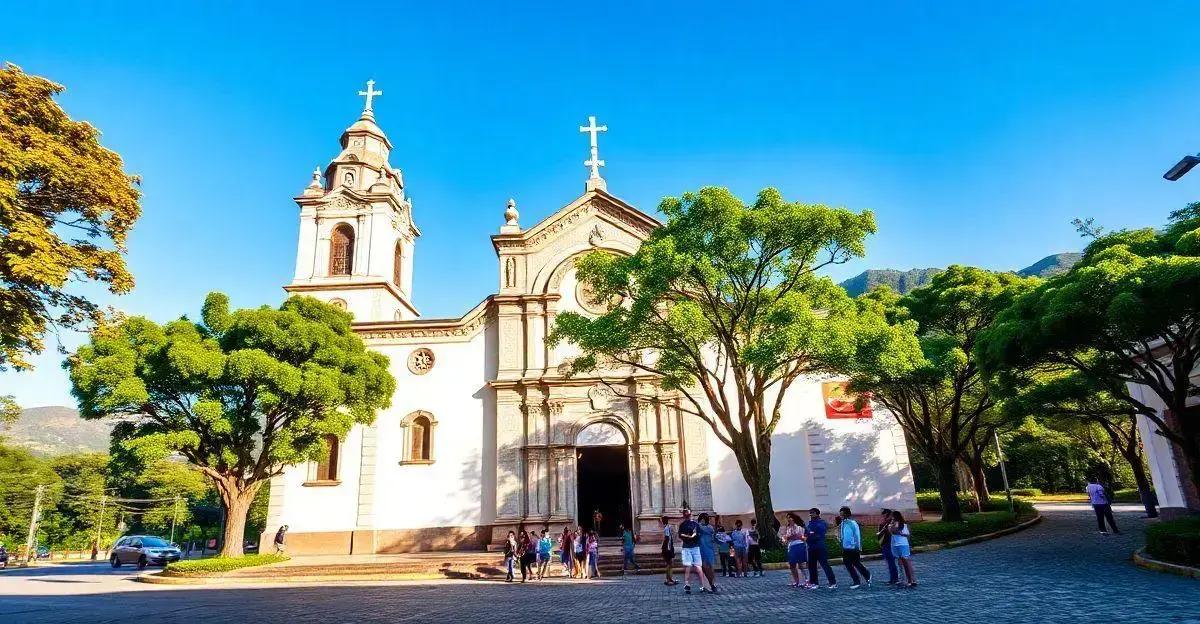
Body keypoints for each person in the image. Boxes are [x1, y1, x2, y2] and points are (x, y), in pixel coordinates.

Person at [677, 509, 714, 594]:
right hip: (695, 547)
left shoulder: (682, 525)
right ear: (691, 515)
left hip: (687, 547)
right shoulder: (695, 524)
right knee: (698, 567)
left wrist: (687, 537)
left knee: (688, 567)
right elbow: (703, 531)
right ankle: (702, 586)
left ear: (683, 516)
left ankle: (688, 585)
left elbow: (680, 535)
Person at [837, 506, 872, 589]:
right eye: (840, 514)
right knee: (847, 564)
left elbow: (857, 536)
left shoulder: (853, 523)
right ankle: (856, 580)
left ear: (847, 514)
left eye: (842, 514)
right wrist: (841, 542)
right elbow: (842, 535)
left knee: (856, 563)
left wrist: (858, 547)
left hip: (853, 547)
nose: (841, 516)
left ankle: (867, 575)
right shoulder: (842, 524)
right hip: (845, 548)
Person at [805, 508, 837, 589]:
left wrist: (811, 535)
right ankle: (814, 583)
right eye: (810, 513)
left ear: (817, 514)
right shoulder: (810, 524)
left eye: (812, 513)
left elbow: (819, 534)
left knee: (825, 565)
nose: (811, 514)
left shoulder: (821, 523)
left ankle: (833, 583)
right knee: (812, 566)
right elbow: (807, 533)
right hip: (811, 547)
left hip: (820, 547)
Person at [889, 510, 917, 588]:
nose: (891, 517)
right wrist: (892, 525)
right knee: (900, 563)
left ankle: (911, 580)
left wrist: (900, 532)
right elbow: (891, 531)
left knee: (906, 563)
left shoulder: (903, 525)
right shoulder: (892, 524)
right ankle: (903, 579)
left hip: (902, 544)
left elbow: (907, 534)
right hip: (895, 544)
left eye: (893, 516)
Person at [781, 513, 807, 588]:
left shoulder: (799, 527)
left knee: (800, 564)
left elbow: (798, 536)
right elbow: (786, 537)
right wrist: (786, 538)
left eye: (790, 517)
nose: (788, 519)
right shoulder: (788, 528)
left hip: (798, 545)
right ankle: (796, 581)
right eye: (787, 518)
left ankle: (804, 580)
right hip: (791, 546)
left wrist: (789, 537)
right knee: (792, 564)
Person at [876, 508, 899, 585]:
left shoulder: (889, 522)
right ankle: (893, 578)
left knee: (891, 562)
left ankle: (894, 579)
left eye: (884, 514)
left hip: (888, 543)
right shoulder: (886, 522)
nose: (882, 516)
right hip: (885, 543)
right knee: (890, 562)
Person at [697, 513, 719, 592]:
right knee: (703, 568)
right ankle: (705, 585)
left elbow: (703, 529)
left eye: (704, 519)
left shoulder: (709, 528)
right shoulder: (698, 528)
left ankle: (712, 584)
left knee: (709, 567)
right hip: (701, 549)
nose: (702, 521)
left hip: (708, 549)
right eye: (701, 519)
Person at [660, 515, 678, 586]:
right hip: (668, 548)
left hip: (667, 547)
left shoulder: (666, 528)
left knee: (669, 564)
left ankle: (669, 578)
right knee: (669, 564)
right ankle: (668, 579)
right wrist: (668, 548)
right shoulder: (667, 528)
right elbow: (667, 538)